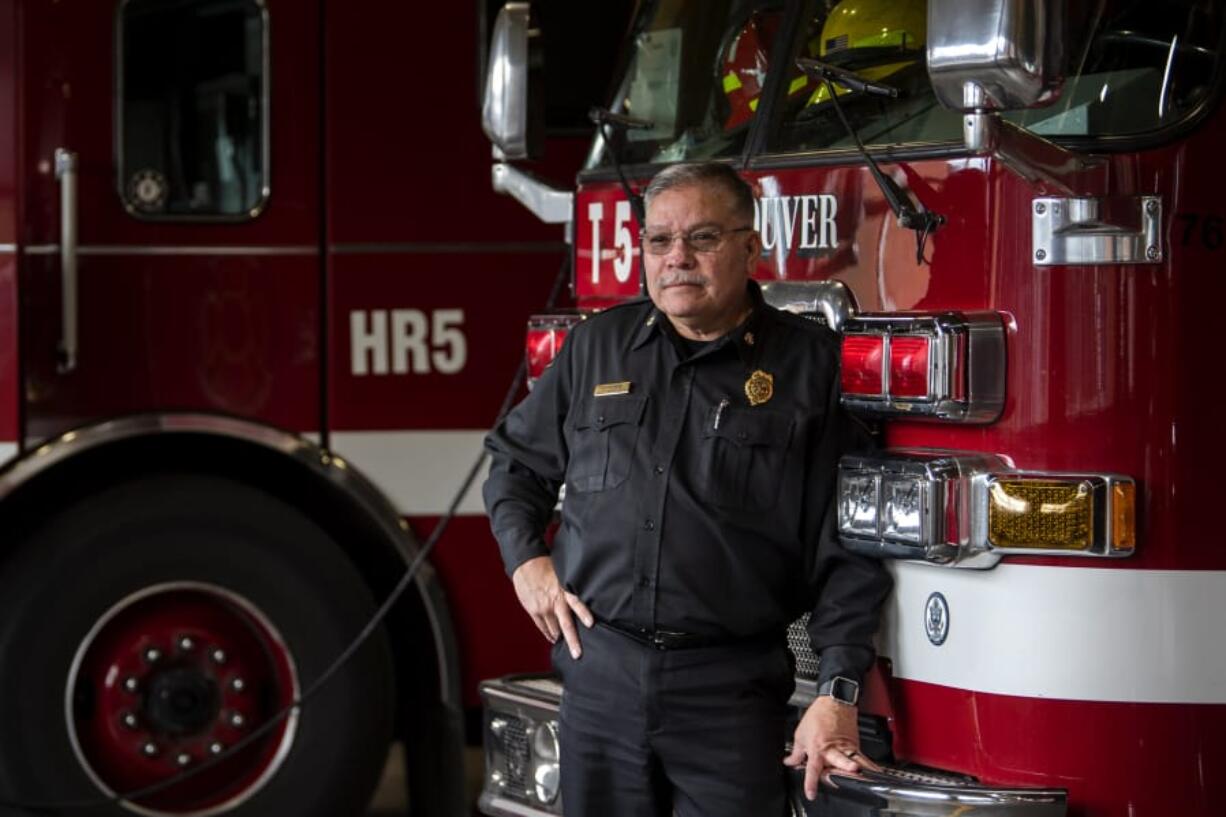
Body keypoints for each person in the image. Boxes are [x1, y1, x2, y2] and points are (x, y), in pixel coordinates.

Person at [483, 161, 891, 816]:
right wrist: (526, 561)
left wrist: (836, 692)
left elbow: (848, 552)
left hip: (728, 696)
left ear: (751, 248)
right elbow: (513, 462)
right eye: (658, 241)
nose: (677, 259)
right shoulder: (597, 347)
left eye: (702, 238)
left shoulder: (811, 367)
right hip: (600, 680)